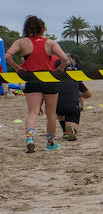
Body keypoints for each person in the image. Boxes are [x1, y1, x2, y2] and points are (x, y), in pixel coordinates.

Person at [5, 15, 71, 152]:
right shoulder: (51, 43)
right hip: (49, 79)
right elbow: (64, 58)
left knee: (33, 112)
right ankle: (51, 143)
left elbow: (7, 56)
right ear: (43, 28)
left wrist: (17, 68)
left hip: (32, 79)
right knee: (51, 114)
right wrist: (58, 69)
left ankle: (29, 138)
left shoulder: (21, 42)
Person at [57, 55, 92, 140]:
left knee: (60, 113)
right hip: (73, 105)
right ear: (67, 67)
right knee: (73, 118)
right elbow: (88, 94)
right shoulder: (74, 77)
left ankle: (65, 132)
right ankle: (72, 129)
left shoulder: (51, 78)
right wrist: (78, 95)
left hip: (59, 106)